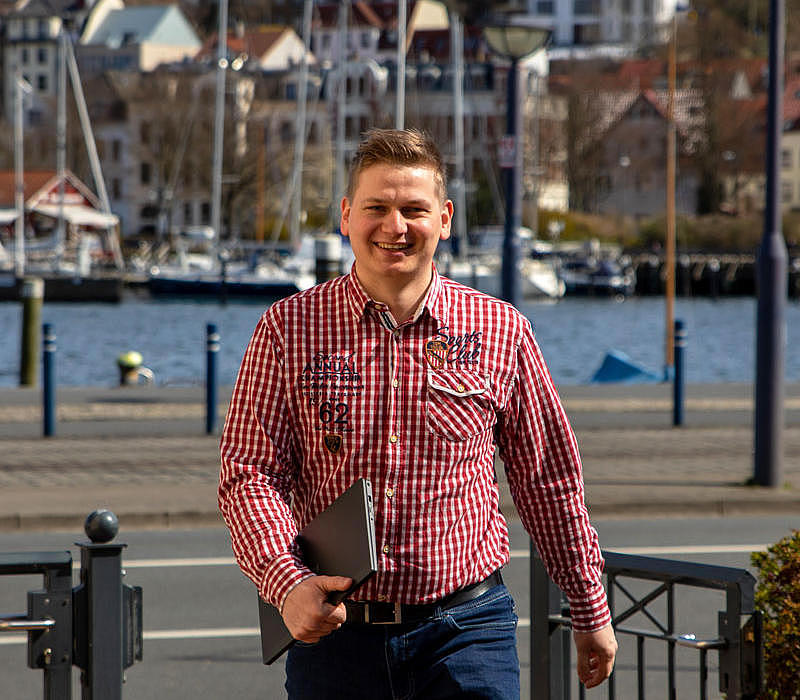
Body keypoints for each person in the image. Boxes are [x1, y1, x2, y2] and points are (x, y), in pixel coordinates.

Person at [219, 128, 617, 699]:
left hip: (466, 631)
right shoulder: (289, 329)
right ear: (347, 215)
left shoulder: (500, 330)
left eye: (414, 209)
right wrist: (287, 584)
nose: (395, 226)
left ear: (445, 218)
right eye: (377, 208)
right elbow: (249, 473)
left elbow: (547, 478)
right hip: (335, 638)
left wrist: (588, 606)